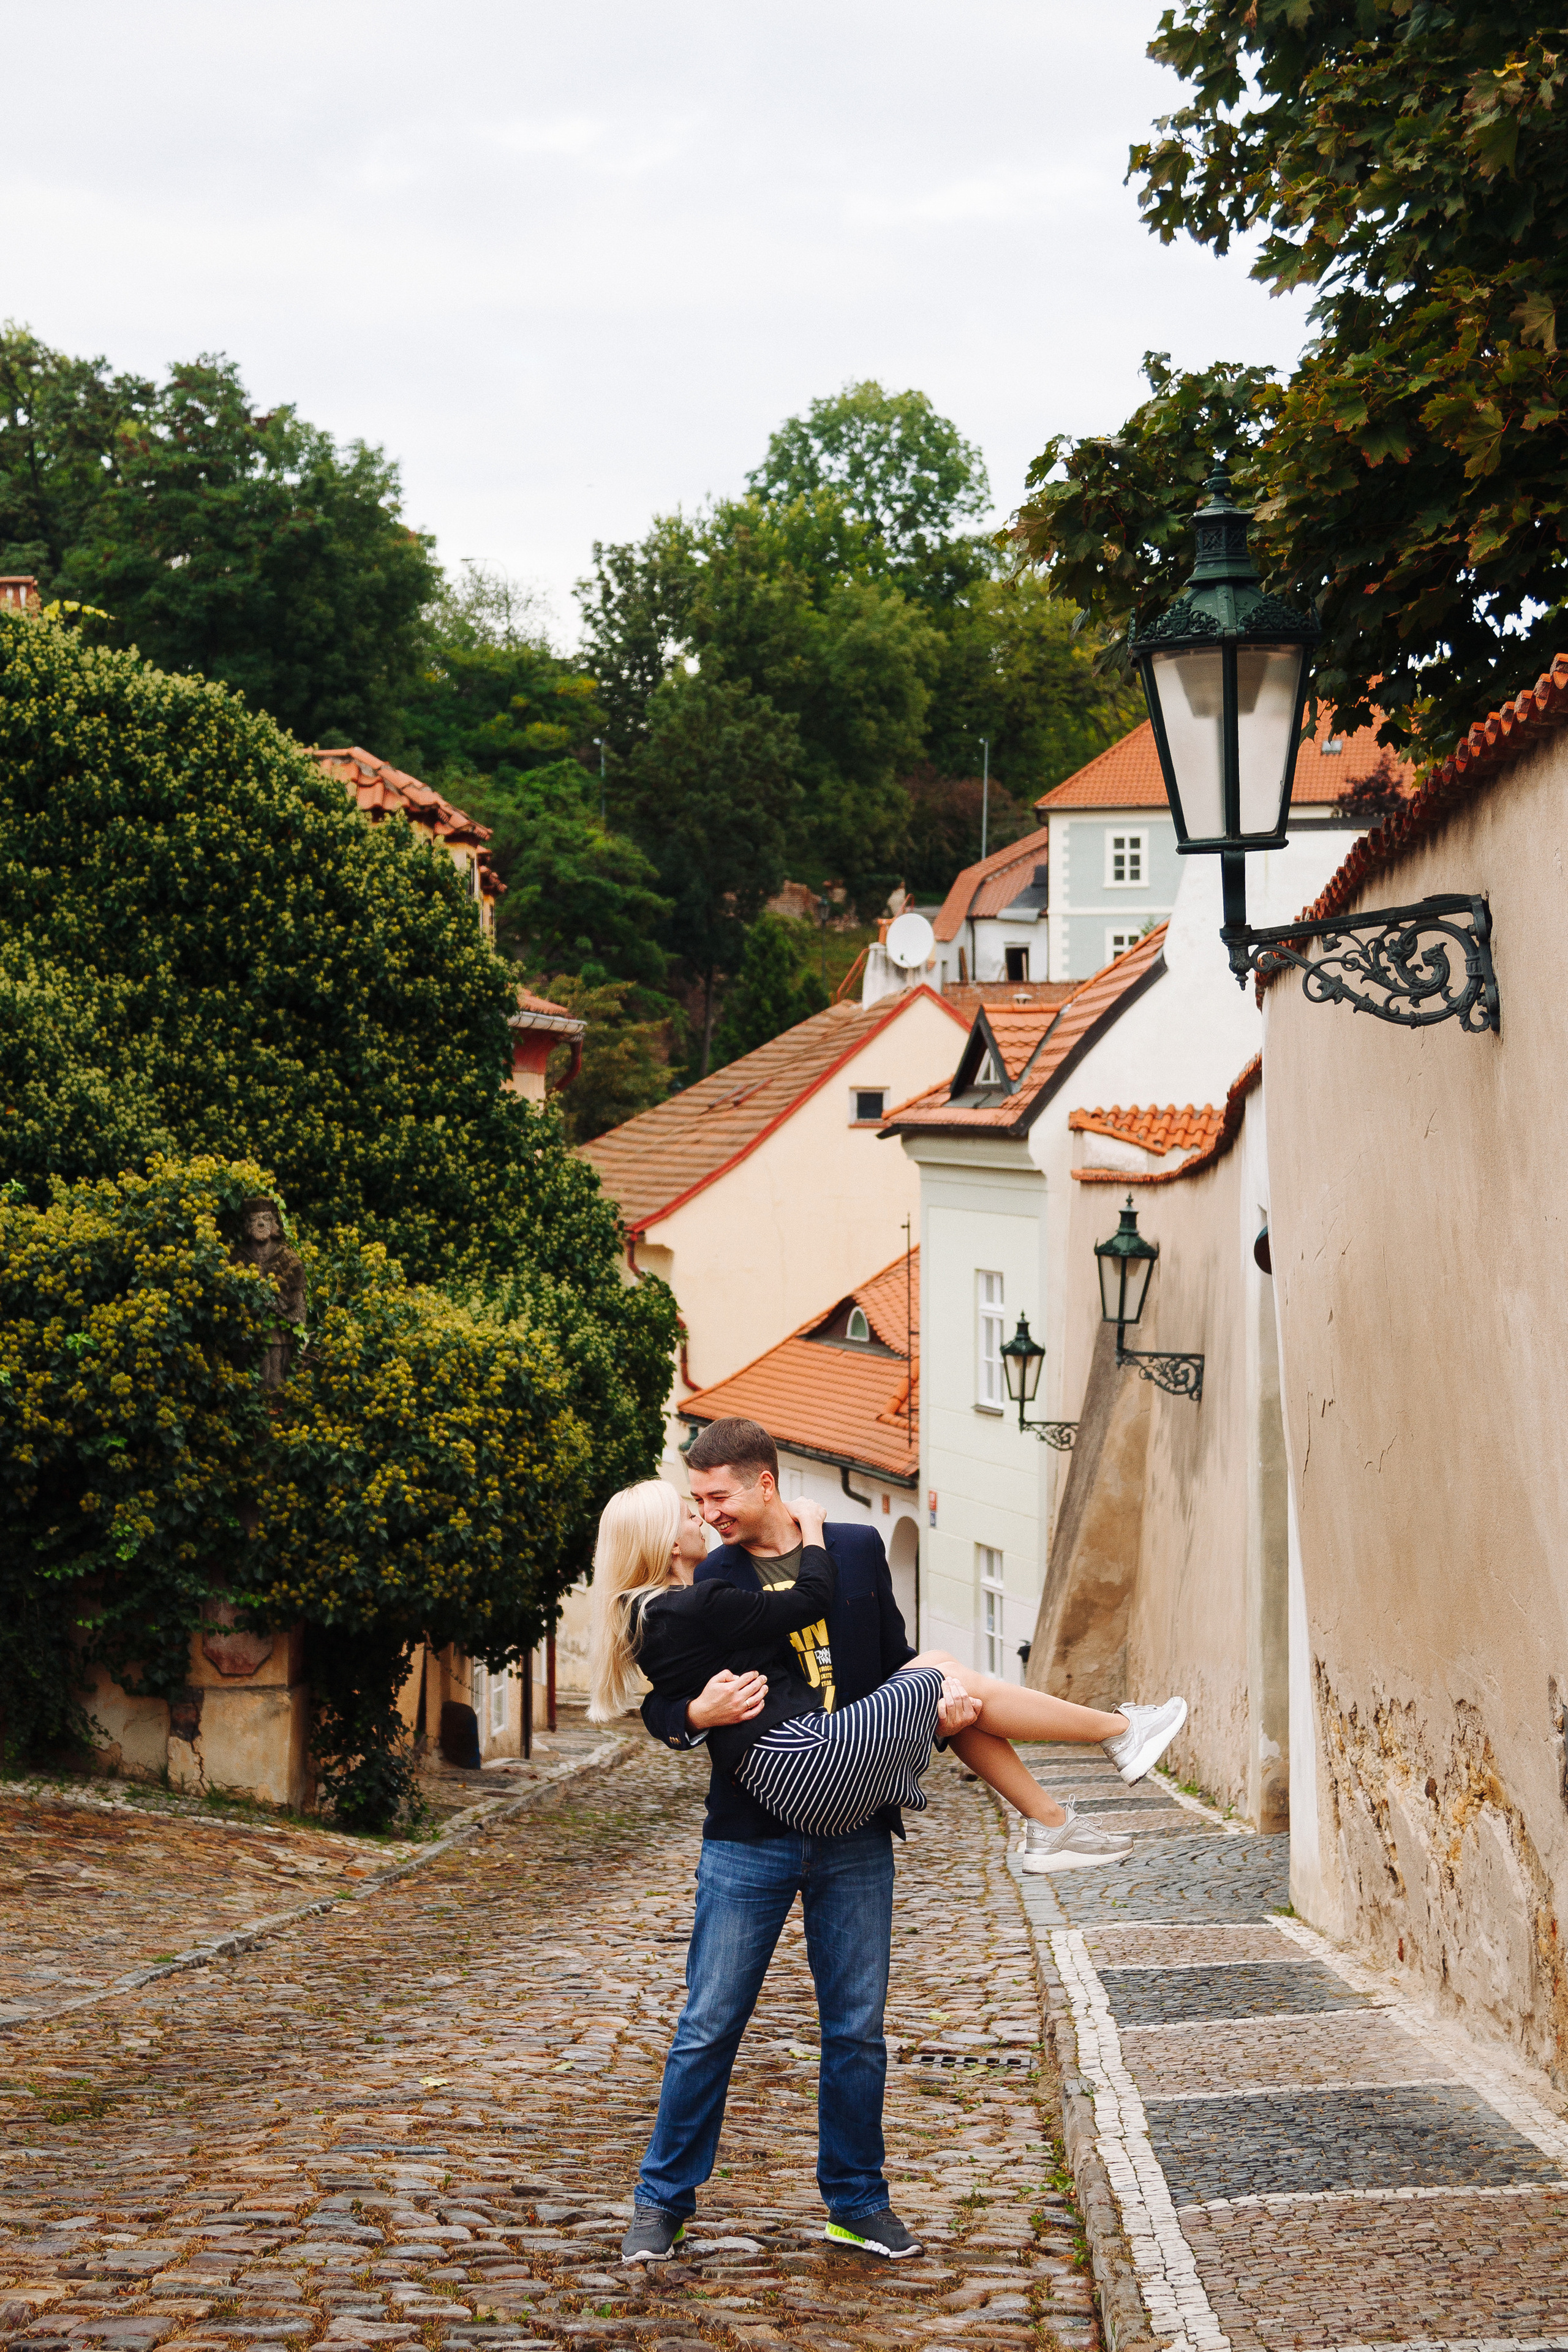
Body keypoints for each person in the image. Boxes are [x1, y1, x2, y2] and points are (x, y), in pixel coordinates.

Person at [591, 1429, 1186, 2265]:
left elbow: (894, 1663)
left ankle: (858, 2204)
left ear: (765, 1485)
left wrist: (935, 1717)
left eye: (719, 1497)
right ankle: (663, 2203)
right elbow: (662, 1699)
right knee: (708, 2024)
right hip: (751, 1836)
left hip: (856, 1828)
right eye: (697, 1503)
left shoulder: (863, 1549)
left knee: (858, 2029)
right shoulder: (709, 1579)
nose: (708, 1513)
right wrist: (693, 1716)